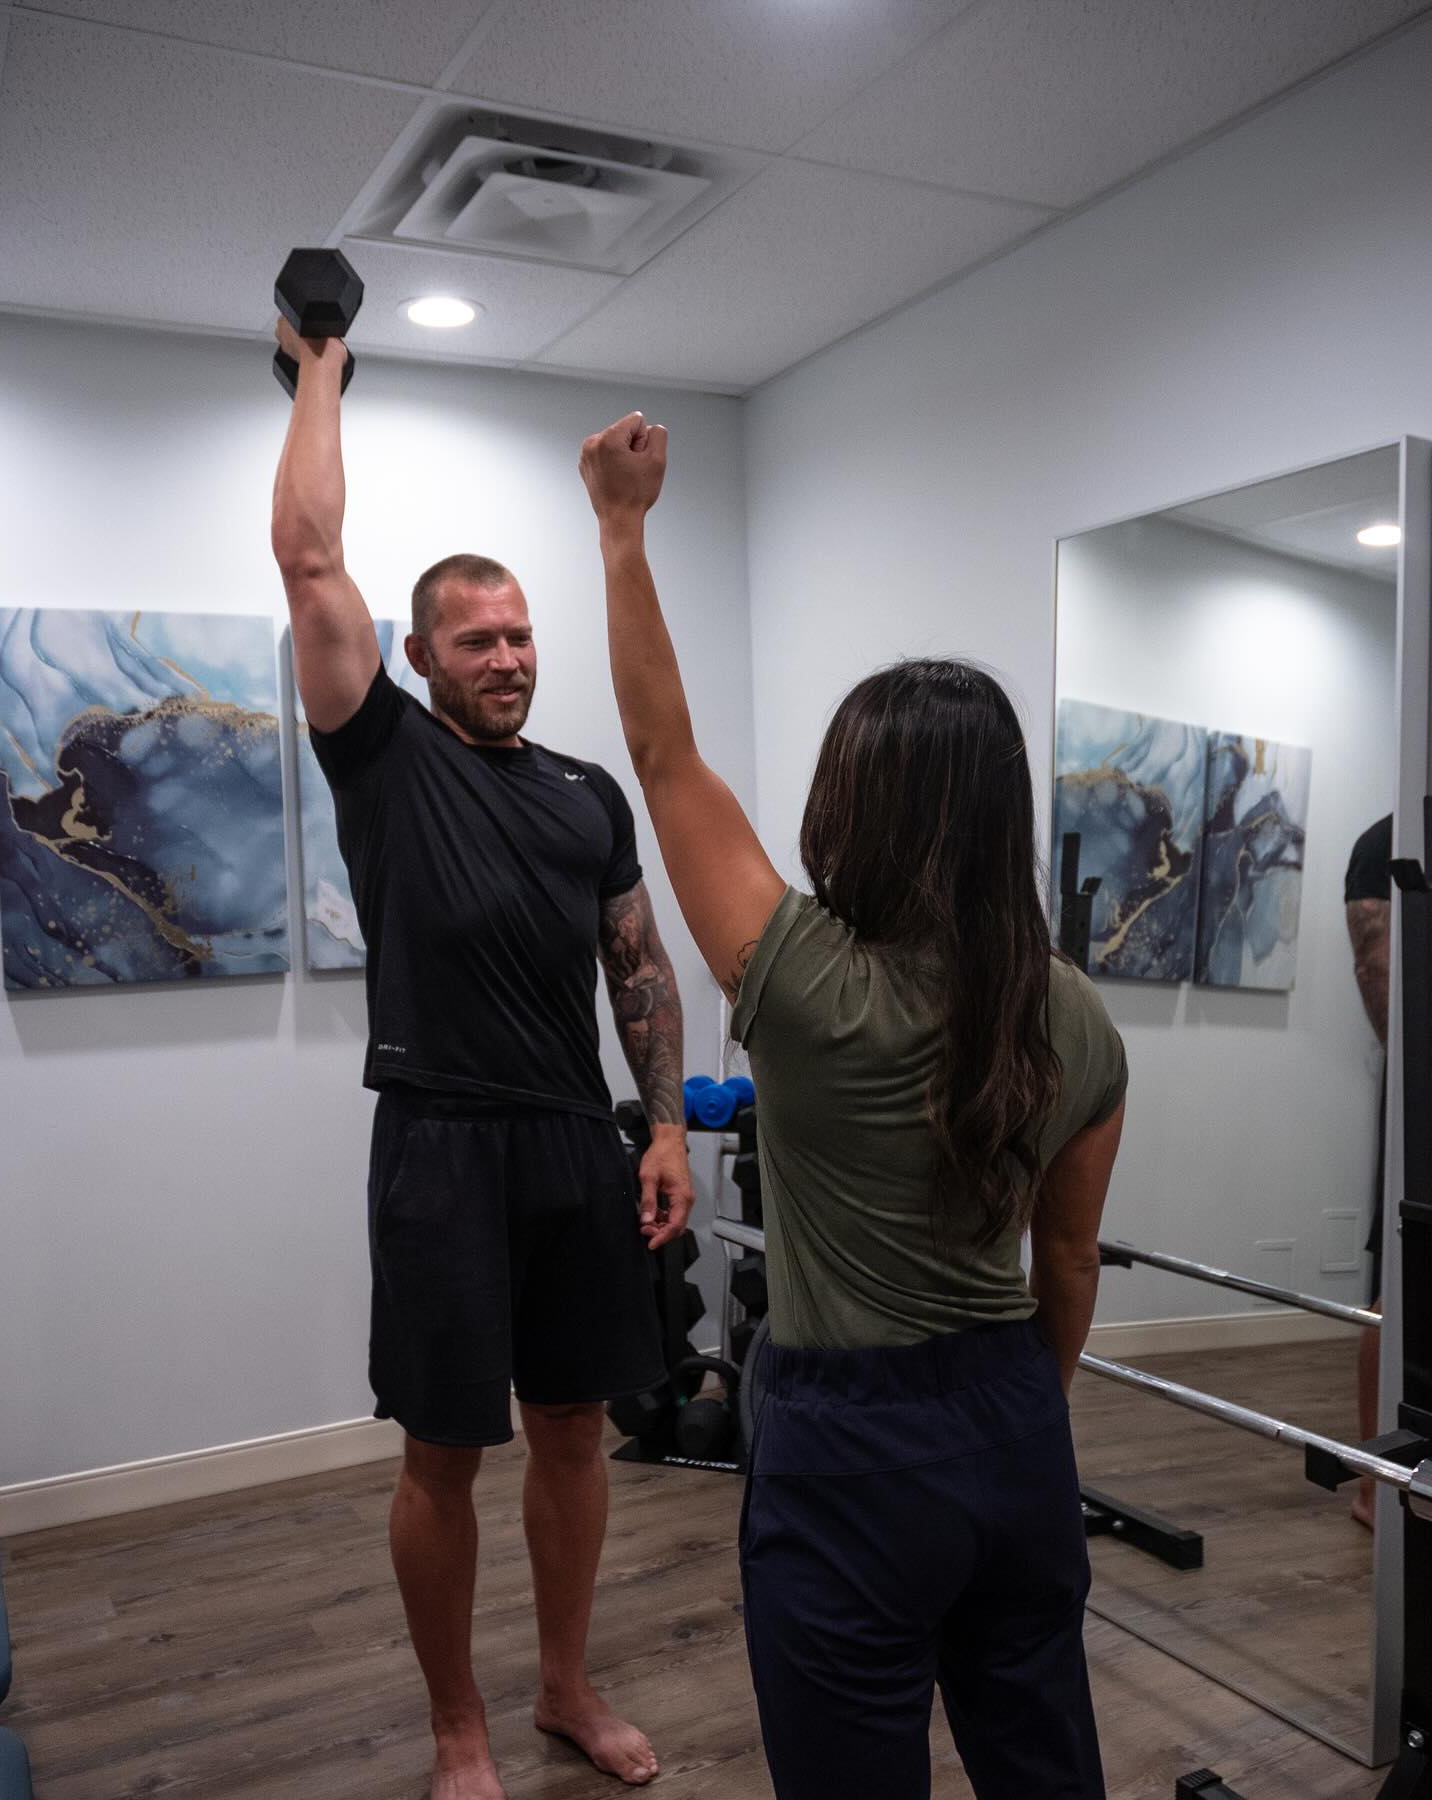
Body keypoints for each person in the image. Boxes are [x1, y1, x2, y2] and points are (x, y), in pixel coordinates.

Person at [579, 412, 1128, 1799]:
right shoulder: (1077, 1013)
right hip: (1012, 1421)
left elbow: (662, 755)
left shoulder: (806, 977)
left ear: (852, 805)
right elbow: (1065, 1260)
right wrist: (1015, 1413)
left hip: (848, 1450)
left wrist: (623, 527)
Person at [270, 324, 695, 1800]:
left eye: (522, 636)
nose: (509, 659)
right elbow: (311, 559)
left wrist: (663, 1129)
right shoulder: (382, 757)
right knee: (444, 1452)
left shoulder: (584, 796)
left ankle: (566, 1687)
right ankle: (459, 1728)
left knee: (574, 1432)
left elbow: (639, 970)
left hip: (576, 1144)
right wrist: (320, 361)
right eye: (479, 640)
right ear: (420, 654)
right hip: (440, 1144)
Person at [1345, 812, 1392, 1531]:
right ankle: (1374, 1487)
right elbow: (1374, 959)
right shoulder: (1385, 843)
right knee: (1397, 1290)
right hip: (1419, 1091)